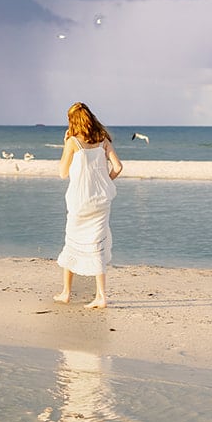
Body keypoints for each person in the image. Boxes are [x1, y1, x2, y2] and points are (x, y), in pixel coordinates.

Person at [53, 101, 123, 308]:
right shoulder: (103, 141)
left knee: (72, 242)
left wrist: (64, 143)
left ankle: (66, 293)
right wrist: (105, 182)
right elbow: (118, 167)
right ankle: (101, 296)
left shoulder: (73, 142)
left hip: (79, 202)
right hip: (101, 201)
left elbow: (62, 173)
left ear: (73, 121)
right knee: (97, 245)